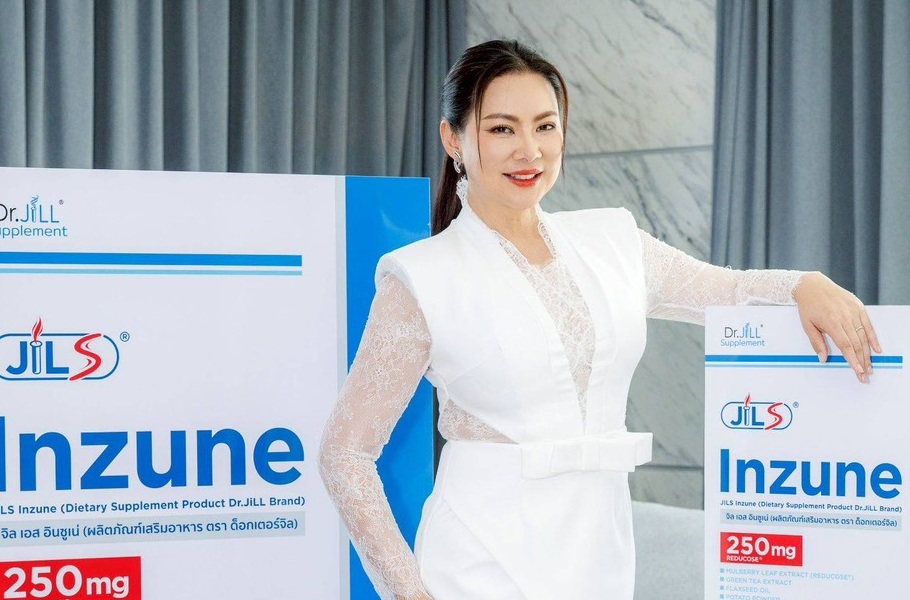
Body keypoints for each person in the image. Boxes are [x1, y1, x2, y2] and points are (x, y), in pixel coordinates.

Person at [319, 39, 881, 600]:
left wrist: (804, 285)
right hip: (477, 564)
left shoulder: (613, 242)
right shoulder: (421, 277)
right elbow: (345, 453)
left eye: (545, 126)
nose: (529, 151)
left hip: (599, 560)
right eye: (502, 129)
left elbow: (727, 291)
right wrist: (410, 594)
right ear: (453, 139)